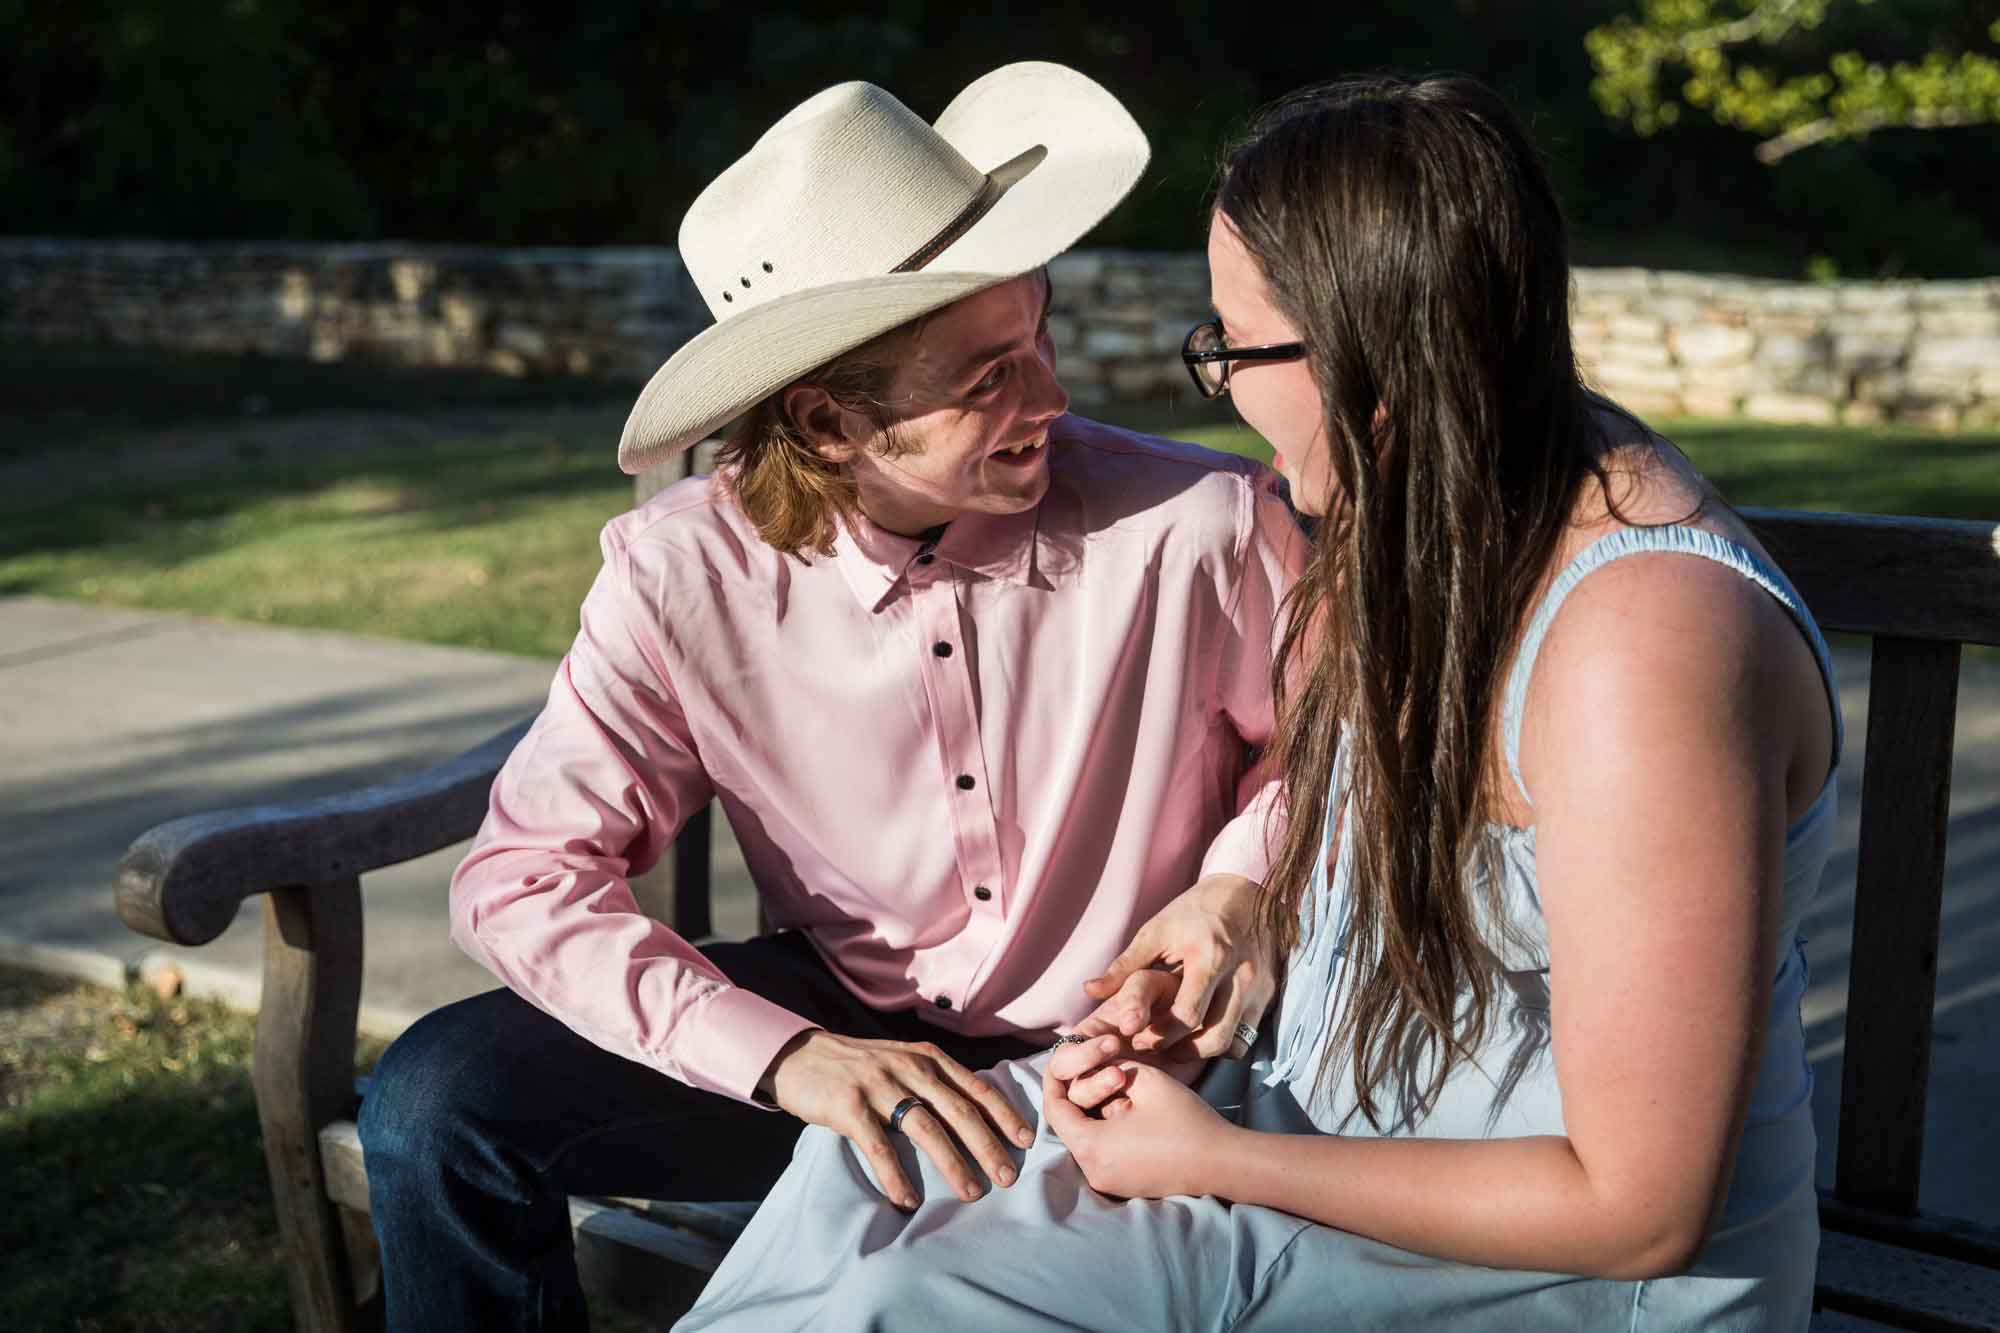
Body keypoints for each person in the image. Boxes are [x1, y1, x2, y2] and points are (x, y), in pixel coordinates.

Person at [677, 73, 1840, 1331]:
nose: (1219, 386)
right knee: (861, 1168)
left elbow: (1636, 1208)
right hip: (1317, 1141)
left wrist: (1207, 1159)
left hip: (1536, 1274)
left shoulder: (1641, 651)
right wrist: (1237, 932)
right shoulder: (1438, 500)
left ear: (1372, 355)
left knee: (912, 1299)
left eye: (1233, 344)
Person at [354, 61, 1307, 1332]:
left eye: (1038, 339)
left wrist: (1242, 874)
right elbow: (520, 877)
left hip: (1137, 1053)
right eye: (986, 379)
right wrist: (790, 1058)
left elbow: (1345, 746)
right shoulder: (679, 575)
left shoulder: (1202, 524)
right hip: (841, 1041)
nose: (1051, 400)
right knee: (433, 1103)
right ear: (823, 420)